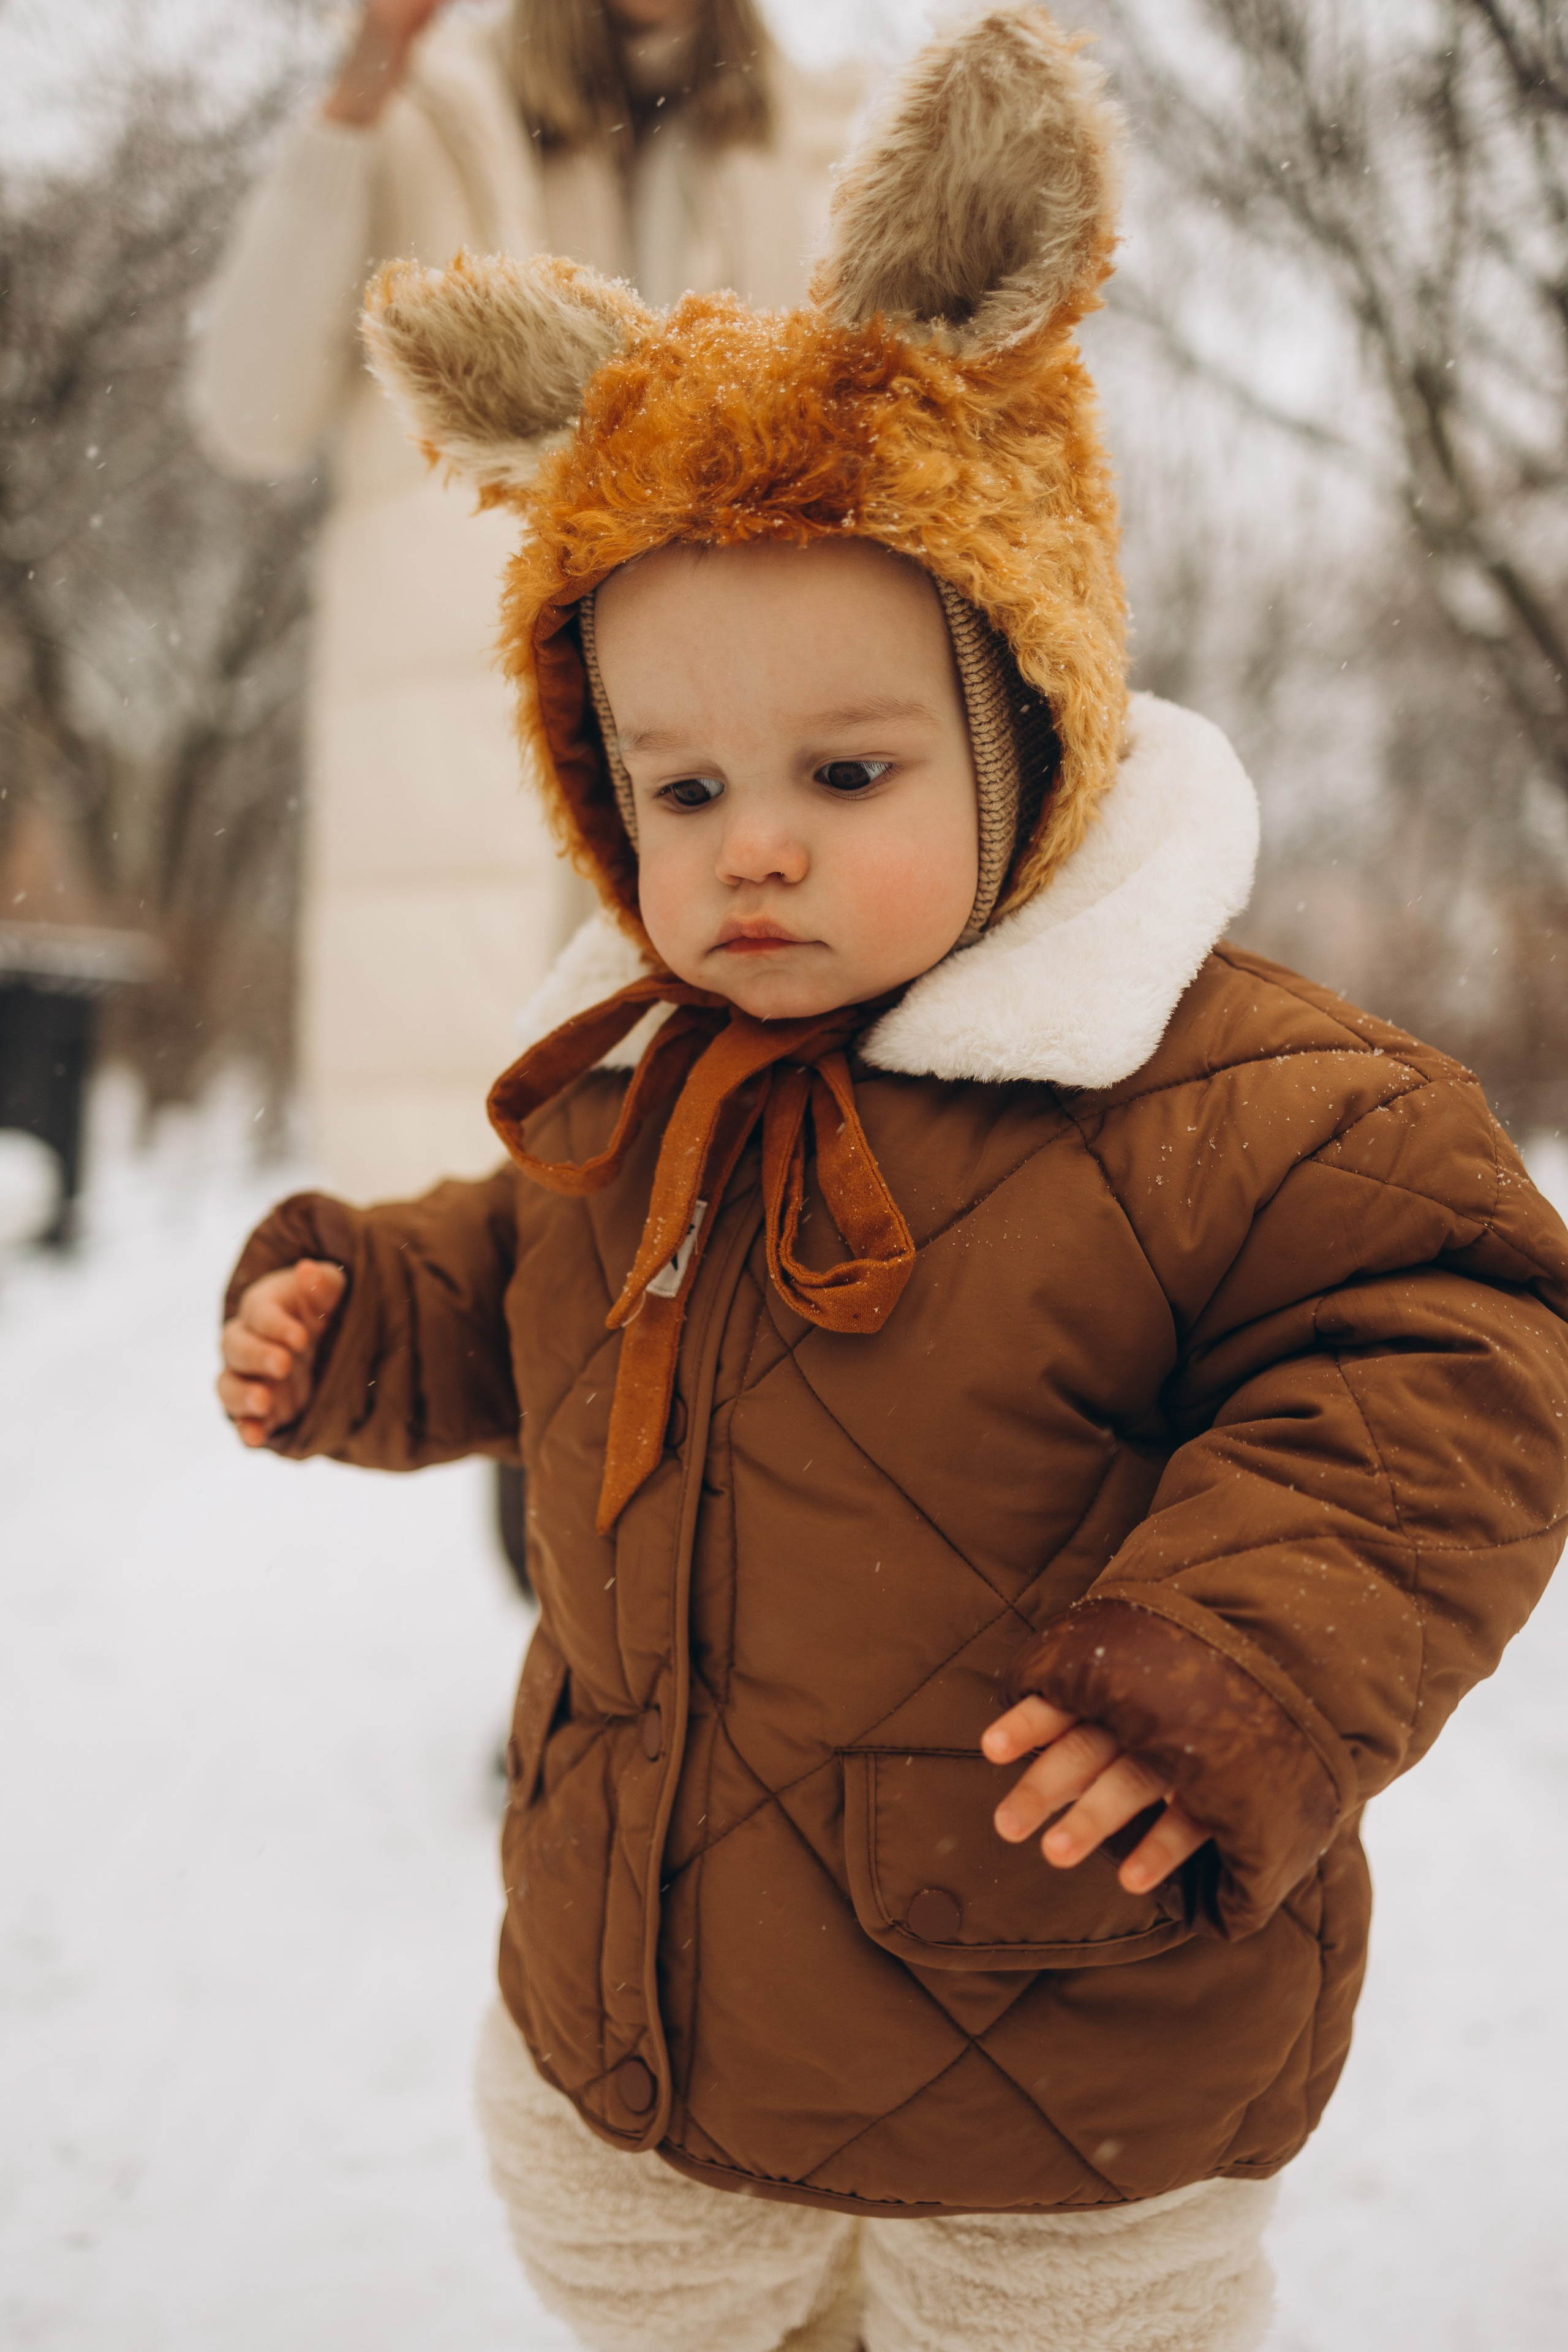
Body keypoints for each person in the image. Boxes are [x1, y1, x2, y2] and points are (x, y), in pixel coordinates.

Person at [215, 11, 1568, 2348]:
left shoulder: (1238, 1098)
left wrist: (1248, 1653)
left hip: (1058, 2083)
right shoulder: (652, 1086)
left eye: (845, 774)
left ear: (1026, 722)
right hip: (647, 2043)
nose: (751, 849)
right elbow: (531, 1263)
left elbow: (1454, 1366)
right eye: (679, 790)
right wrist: (367, 1314)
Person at [190, 0, 858, 1202]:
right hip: (448, 791)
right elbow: (249, 411)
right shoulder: (424, 111)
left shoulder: (812, 142)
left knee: (700, 1251)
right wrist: (361, 89)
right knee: (439, 1240)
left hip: (723, 778)